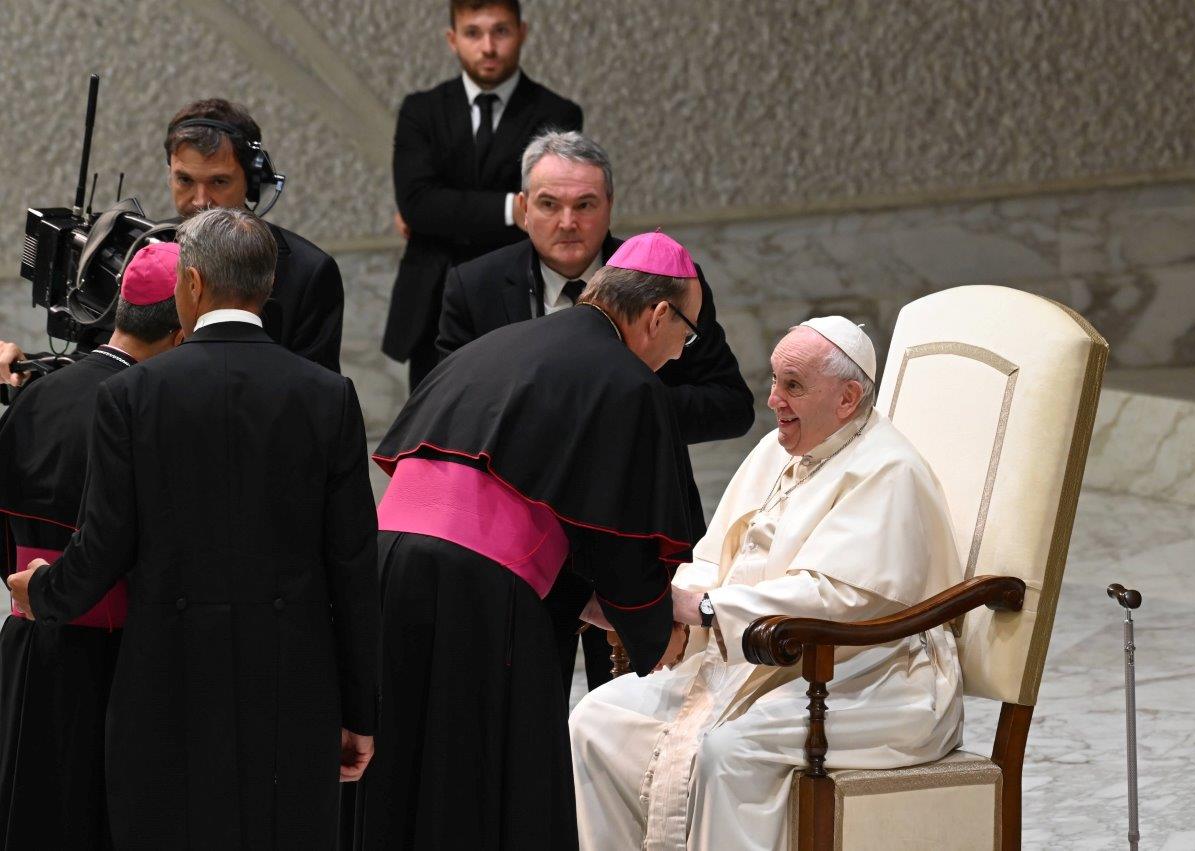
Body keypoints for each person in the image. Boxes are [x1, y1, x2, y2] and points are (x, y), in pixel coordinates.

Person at [6, 208, 380, 849]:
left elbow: (103, 545)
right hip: (292, 681)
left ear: (195, 285)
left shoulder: (132, 395)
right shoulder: (328, 396)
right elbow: (352, 566)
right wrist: (359, 712)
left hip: (166, 676)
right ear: (266, 289)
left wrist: (43, 593)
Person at [354, 232, 702, 849]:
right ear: (656, 316)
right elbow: (619, 540)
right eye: (687, 333)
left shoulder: (500, 343)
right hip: (477, 591)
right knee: (478, 773)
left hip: (387, 565)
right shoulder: (625, 380)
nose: (679, 354)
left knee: (399, 762)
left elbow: (552, 502)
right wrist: (652, 624)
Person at [568, 318, 965, 851]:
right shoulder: (778, 449)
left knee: (726, 752)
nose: (773, 399)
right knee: (598, 718)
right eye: (775, 381)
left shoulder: (889, 470)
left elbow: (837, 600)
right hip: (753, 653)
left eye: (793, 386)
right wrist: (668, 614)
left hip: (866, 673)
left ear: (847, 398)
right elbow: (715, 554)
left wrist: (705, 611)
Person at [437, 130, 754, 691]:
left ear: (608, 207)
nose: (568, 222)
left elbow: (731, 404)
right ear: (523, 208)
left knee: (643, 691)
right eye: (549, 205)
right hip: (524, 526)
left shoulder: (671, 281)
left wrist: (621, 415)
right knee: (532, 687)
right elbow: (457, 401)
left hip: (631, 510)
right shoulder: (475, 286)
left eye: (585, 205)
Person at [0, 242, 185, 850]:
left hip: (25, 644)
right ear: (181, 328)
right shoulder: (145, 410)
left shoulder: (35, 393)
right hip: (108, 662)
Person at [0, 96, 346, 382]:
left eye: (219, 182)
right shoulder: (136, 250)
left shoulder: (308, 272)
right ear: (169, 173)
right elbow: (98, 362)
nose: (200, 200)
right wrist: (32, 368)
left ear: (252, 182)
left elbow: (318, 397)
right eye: (184, 180)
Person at [381, 0, 584, 389]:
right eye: (474, 33)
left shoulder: (557, 113)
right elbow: (419, 204)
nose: (488, 46)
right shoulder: (421, 110)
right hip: (433, 302)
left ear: (522, 32)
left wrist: (442, 211)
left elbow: (554, 204)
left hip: (519, 292)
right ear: (453, 39)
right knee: (436, 429)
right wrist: (515, 206)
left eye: (501, 31)